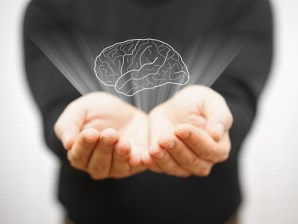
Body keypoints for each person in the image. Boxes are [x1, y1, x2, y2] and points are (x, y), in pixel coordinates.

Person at [23, 0, 273, 223]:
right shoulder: (52, 4)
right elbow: (58, 110)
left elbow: (237, 99)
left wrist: (216, 124)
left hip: (214, 215)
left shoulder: (242, 3)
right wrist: (75, 130)